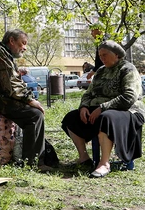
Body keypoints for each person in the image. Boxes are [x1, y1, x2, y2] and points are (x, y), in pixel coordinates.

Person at [62, 40, 145, 178]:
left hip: (128, 111)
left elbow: (129, 97)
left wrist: (103, 107)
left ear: (117, 55)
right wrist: (83, 107)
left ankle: (104, 163)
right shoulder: (100, 71)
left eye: (105, 55)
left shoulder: (127, 69)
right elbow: (88, 93)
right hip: (100, 109)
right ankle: (84, 158)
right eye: (100, 55)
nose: (102, 58)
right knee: (71, 118)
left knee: (105, 118)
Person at [0, 29, 47, 168]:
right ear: (11, 41)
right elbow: (11, 84)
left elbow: (15, 82)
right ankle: (33, 162)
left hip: (5, 99)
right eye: (22, 43)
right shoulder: (0, 52)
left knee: (35, 115)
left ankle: (34, 159)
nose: (25, 47)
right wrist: (30, 100)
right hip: (1, 101)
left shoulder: (6, 54)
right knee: (35, 115)